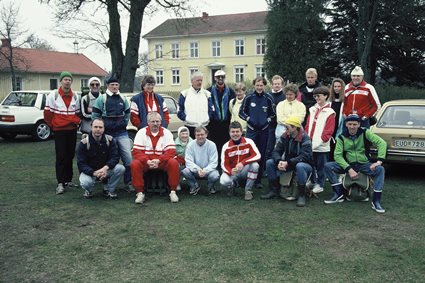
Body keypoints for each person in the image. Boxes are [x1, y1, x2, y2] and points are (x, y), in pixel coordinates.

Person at [324, 114, 387, 213]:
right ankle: (338, 193)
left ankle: (376, 201)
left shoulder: (365, 132)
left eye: (354, 124)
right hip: (349, 164)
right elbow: (337, 156)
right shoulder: (341, 137)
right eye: (350, 124)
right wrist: (349, 169)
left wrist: (379, 161)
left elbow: (382, 143)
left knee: (380, 169)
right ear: (346, 124)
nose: (352, 127)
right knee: (328, 166)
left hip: (364, 164)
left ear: (359, 124)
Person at [92, 76, 133, 191]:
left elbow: (127, 114)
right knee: (106, 158)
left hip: (121, 133)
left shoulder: (123, 99)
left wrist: (122, 124)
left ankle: (128, 182)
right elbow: (95, 116)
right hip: (108, 134)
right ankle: (104, 180)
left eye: (116, 85)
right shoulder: (102, 99)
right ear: (107, 86)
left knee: (128, 159)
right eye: (112, 85)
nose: (114, 87)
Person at [262, 116, 314, 207]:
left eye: (287, 127)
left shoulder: (305, 138)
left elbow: (305, 156)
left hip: (305, 165)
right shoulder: (285, 136)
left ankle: (302, 195)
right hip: (289, 163)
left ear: (294, 127)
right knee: (270, 162)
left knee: (300, 166)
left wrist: (288, 162)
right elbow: (276, 151)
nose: (285, 129)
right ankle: (274, 190)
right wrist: (279, 161)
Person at [43, 71, 81, 194]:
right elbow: (48, 114)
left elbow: (77, 113)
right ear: (61, 81)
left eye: (69, 80)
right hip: (59, 130)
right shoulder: (53, 95)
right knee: (61, 156)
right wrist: (53, 125)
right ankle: (60, 182)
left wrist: (75, 121)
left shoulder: (75, 96)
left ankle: (68, 180)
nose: (67, 81)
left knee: (70, 155)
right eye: (65, 79)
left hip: (71, 130)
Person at [131, 112, 180, 204]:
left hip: (161, 162)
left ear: (161, 122)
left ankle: (173, 191)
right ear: (148, 122)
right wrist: (147, 161)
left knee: (173, 162)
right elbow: (136, 151)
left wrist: (159, 160)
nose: (155, 124)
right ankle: (140, 193)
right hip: (146, 162)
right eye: (152, 121)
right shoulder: (141, 133)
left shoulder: (167, 132)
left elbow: (171, 151)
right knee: (135, 164)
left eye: (157, 121)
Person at [239, 76, 275, 188]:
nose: (259, 87)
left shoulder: (268, 98)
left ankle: (258, 180)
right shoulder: (249, 97)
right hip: (251, 130)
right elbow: (241, 112)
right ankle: (245, 178)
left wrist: (267, 120)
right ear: (254, 85)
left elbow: (273, 114)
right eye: (257, 85)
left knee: (261, 154)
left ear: (264, 86)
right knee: (248, 154)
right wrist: (249, 119)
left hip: (264, 131)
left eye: (261, 85)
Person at [76, 118, 125, 199]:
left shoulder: (110, 140)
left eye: (100, 127)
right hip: (91, 172)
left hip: (105, 170)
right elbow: (81, 164)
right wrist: (94, 173)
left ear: (104, 128)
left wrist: (105, 168)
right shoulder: (83, 143)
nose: (98, 129)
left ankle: (108, 190)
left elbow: (115, 157)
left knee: (120, 168)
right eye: (95, 127)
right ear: (91, 127)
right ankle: (89, 191)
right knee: (85, 182)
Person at [304, 86, 335, 194]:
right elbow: (308, 125)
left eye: (319, 96)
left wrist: (321, 141)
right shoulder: (312, 109)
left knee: (321, 166)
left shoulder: (330, 112)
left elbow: (329, 130)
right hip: (310, 143)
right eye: (315, 96)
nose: (317, 98)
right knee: (311, 164)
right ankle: (313, 181)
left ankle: (320, 184)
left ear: (325, 96)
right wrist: (307, 138)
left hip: (322, 146)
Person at [220, 121, 261, 201]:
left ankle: (248, 190)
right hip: (233, 172)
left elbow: (257, 155)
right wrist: (230, 171)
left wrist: (243, 163)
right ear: (229, 133)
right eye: (233, 132)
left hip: (244, 169)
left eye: (237, 131)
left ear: (241, 132)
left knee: (255, 165)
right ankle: (232, 186)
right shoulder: (226, 146)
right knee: (223, 181)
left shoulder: (249, 142)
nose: (235, 134)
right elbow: (223, 164)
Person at [207, 70, 235, 166]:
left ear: (224, 77)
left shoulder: (230, 91)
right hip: (213, 123)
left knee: (225, 144)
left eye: (222, 76)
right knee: (214, 145)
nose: (220, 78)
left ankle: (225, 163)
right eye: (218, 77)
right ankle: (216, 164)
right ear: (215, 78)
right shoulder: (209, 91)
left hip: (226, 123)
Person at [181, 126, 220, 195]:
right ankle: (194, 186)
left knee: (215, 175)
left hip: (208, 171)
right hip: (195, 171)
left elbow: (214, 162)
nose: (200, 137)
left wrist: (204, 170)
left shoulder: (212, 145)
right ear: (195, 135)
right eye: (197, 135)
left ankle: (210, 187)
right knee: (185, 171)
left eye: (202, 135)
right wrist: (198, 169)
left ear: (206, 134)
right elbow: (188, 161)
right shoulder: (190, 145)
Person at [177, 72, 213, 137]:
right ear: (192, 81)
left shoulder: (207, 94)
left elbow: (211, 109)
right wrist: (187, 119)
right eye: (197, 80)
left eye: (201, 80)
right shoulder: (184, 94)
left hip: (204, 127)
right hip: (190, 127)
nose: (200, 82)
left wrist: (207, 118)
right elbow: (179, 110)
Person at [266, 75, 286, 159]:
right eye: (275, 84)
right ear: (272, 85)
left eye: (278, 84)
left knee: (280, 147)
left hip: (282, 125)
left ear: (282, 84)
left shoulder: (285, 96)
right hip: (270, 125)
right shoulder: (267, 95)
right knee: (269, 147)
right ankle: (267, 167)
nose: (277, 85)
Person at [329, 78, 346, 160]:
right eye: (335, 86)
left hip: (340, 126)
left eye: (339, 86)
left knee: (339, 146)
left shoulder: (345, 100)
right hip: (331, 126)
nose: (337, 88)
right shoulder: (329, 101)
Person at [174, 126, 193, 190]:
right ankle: (177, 182)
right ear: (179, 134)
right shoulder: (175, 144)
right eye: (183, 134)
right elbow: (174, 155)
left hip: (190, 160)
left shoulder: (193, 143)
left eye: (186, 134)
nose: (185, 136)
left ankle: (192, 183)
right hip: (180, 161)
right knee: (176, 166)